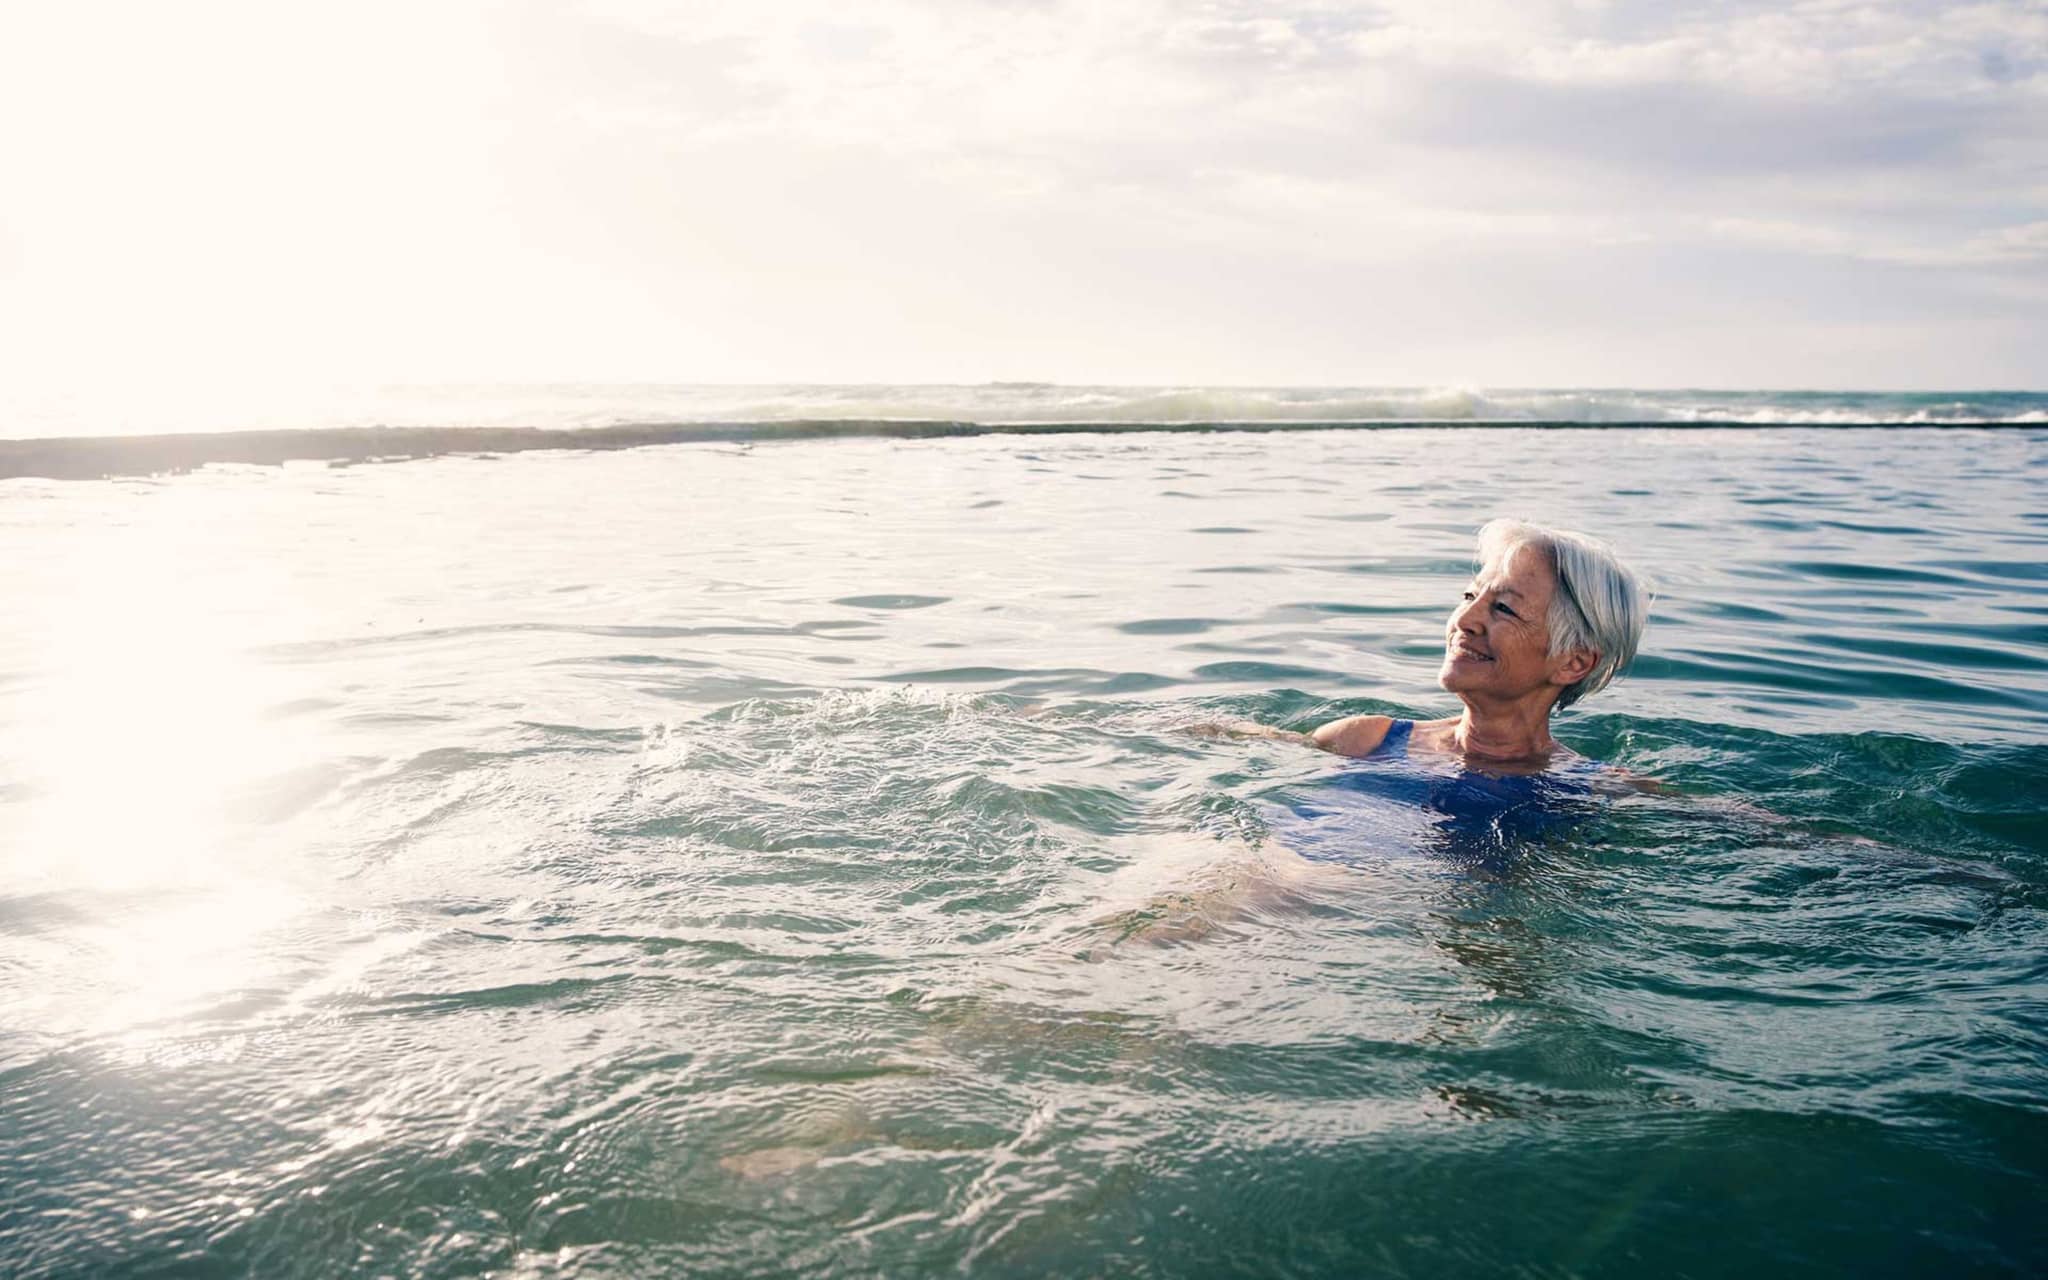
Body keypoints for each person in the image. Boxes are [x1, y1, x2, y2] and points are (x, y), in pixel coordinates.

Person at [1306, 517, 1650, 770]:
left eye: (1503, 608)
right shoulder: (1363, 741)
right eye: (1469, 595)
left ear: (1573, 663)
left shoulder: (1594, 790)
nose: (1464, 620)